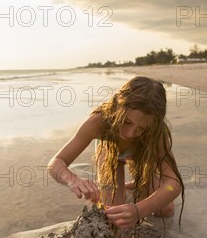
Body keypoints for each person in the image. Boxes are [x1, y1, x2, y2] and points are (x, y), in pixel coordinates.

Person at [48, 76, 185, 229]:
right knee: (113, 216)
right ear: (118, 108)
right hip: (110, 154)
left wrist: (139, 210)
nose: (130, 133)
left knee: (165, 210)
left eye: (142, 128)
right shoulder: (98, 122)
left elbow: (174, 183)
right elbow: (56, 163)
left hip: (140, 155)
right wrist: (72, 180)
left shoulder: (157, 134)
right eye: (126, 122)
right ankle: (129, 185)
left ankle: (137, 182)